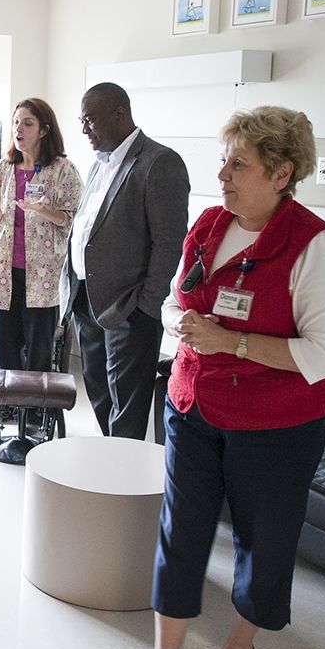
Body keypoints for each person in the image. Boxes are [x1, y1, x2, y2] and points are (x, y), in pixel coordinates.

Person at [122, 106, 325, 649]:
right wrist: (186, 324)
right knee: (180, 531)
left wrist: (234, 341)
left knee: (262, 539)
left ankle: (241, 646)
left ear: (282, 173)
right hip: (193, 405)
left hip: (274, 426)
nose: (222, 174)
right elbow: (175, 303)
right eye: (224, 160)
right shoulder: (209, 225)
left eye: (238, 164)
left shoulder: (314, 246)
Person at [62, 82, 190, 439]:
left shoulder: (159, 162)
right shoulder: (98, 164)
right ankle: (109, 460)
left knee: (127, 402)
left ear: (119, 114)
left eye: (91, 120)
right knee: (99, 391)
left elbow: (169, 242)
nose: (85, 129)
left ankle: (125, 481)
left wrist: (146, 306)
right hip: (87, 299)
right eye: (82, 121)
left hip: (129, 307)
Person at [0, 98, 81, 372]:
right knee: (5, 343)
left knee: (39, 346)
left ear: (44, 130)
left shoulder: (62, 171)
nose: (18, 128)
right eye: (16, 122)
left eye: (27, 123)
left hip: (43, 276)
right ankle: (6, 404)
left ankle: (35, 409)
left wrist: (48, 212)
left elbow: (75, 223)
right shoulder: (1, 170)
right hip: (5, 272)